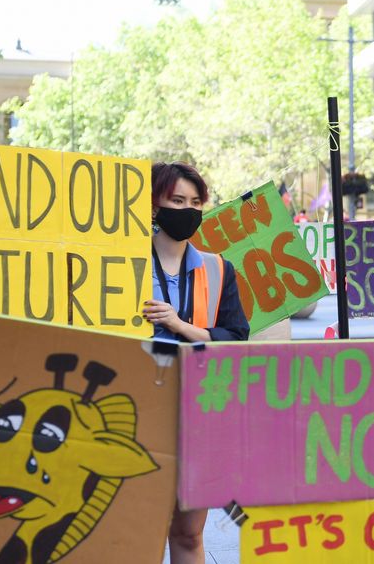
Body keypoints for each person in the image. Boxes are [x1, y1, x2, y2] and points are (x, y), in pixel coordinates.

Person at [143, 162, 249, 564]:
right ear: (155, 205)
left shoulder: (220, 268)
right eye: (176, 200)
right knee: (143, 529)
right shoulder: (121, 264)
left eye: (194, 202)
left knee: (188, 533)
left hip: (199, 412)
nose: (187, 209)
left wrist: (178, 325)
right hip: (139, 410)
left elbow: (236, 338)